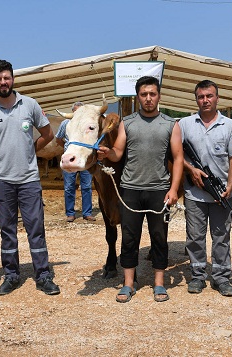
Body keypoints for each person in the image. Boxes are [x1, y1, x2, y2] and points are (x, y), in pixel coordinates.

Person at [0, 59, 60, 296]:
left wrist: (31, 149)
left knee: (36, 227)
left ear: (12, 79)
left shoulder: (30, 105)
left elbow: (47, 133)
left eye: (6, 77)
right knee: (7, 230)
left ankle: (43, 275)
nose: (3, 82)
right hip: (1, 180)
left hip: (29, 179)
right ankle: (11, 275)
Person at [97, 76, 183, 303]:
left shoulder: (171, 124)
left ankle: (159, 284)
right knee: (129, 238)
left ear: (159, 96)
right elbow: (117, 152)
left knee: (159, 237)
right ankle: (128, 284)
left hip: (159, 190)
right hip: (130, 190)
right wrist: (108, 154)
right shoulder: (128, 123)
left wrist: (174, 189)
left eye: (152, 94)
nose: (148, 98)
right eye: (144, 95)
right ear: (138, 97)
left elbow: (178, 157)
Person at [179, 80, 232, 297]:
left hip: (221, 192)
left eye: (209, 96)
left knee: (221, 236)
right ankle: (197, 276)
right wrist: (191, 170)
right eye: (201, 97)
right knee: (195, 237)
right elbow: (176, 155)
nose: (205, 100)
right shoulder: (185, 124)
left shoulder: (231, 126)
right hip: (194, 193)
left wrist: (230, 187)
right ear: (196, 99)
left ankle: (221, 277)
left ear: (217, 98)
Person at [55, 101, 95, 222]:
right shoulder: (66, 123)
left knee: (87, 186)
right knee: (69, 187)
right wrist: (67, 149)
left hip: (84, 159)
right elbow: (58, 139)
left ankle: (87, 213)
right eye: (76, 111)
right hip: (70, 159)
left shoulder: (87, 125)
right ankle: (70, 213)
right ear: (72, 112)